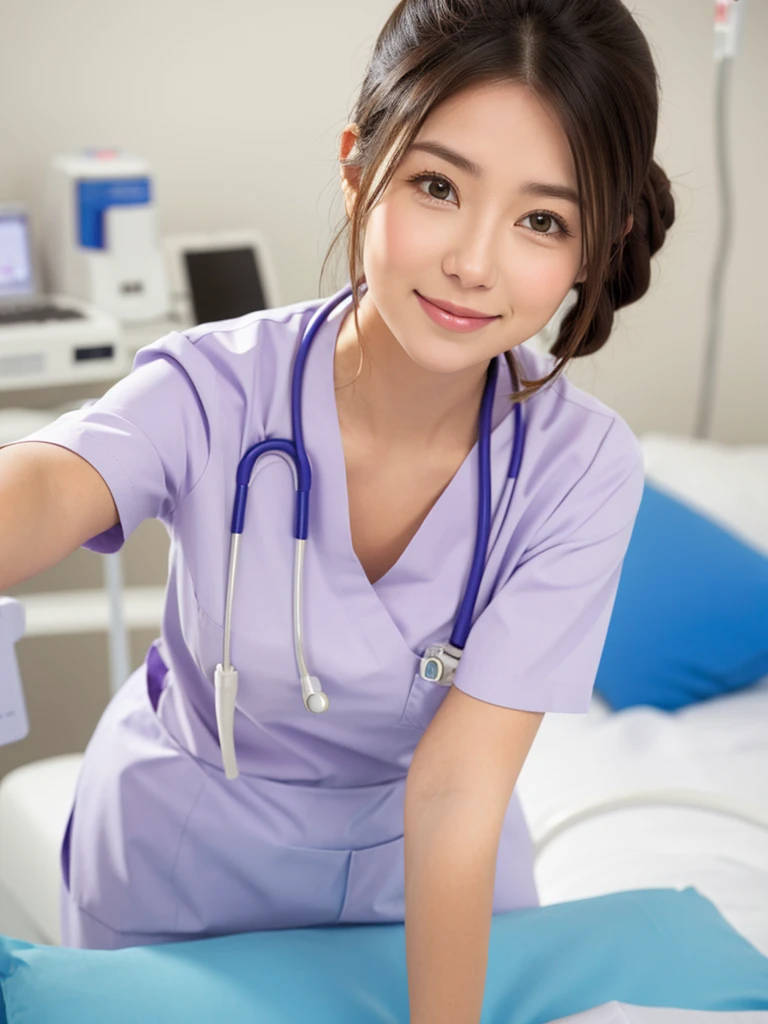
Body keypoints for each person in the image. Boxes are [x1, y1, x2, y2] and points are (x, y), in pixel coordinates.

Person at [0, 0, 676, 1020]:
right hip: (181, 870)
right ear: (360, 167)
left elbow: (455, 793)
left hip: (429, 889)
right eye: (438, 185)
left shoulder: (578, 470)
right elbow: (50, 484)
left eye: (543, 218)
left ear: (597, 246)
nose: (474, 262)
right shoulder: (216, 389)